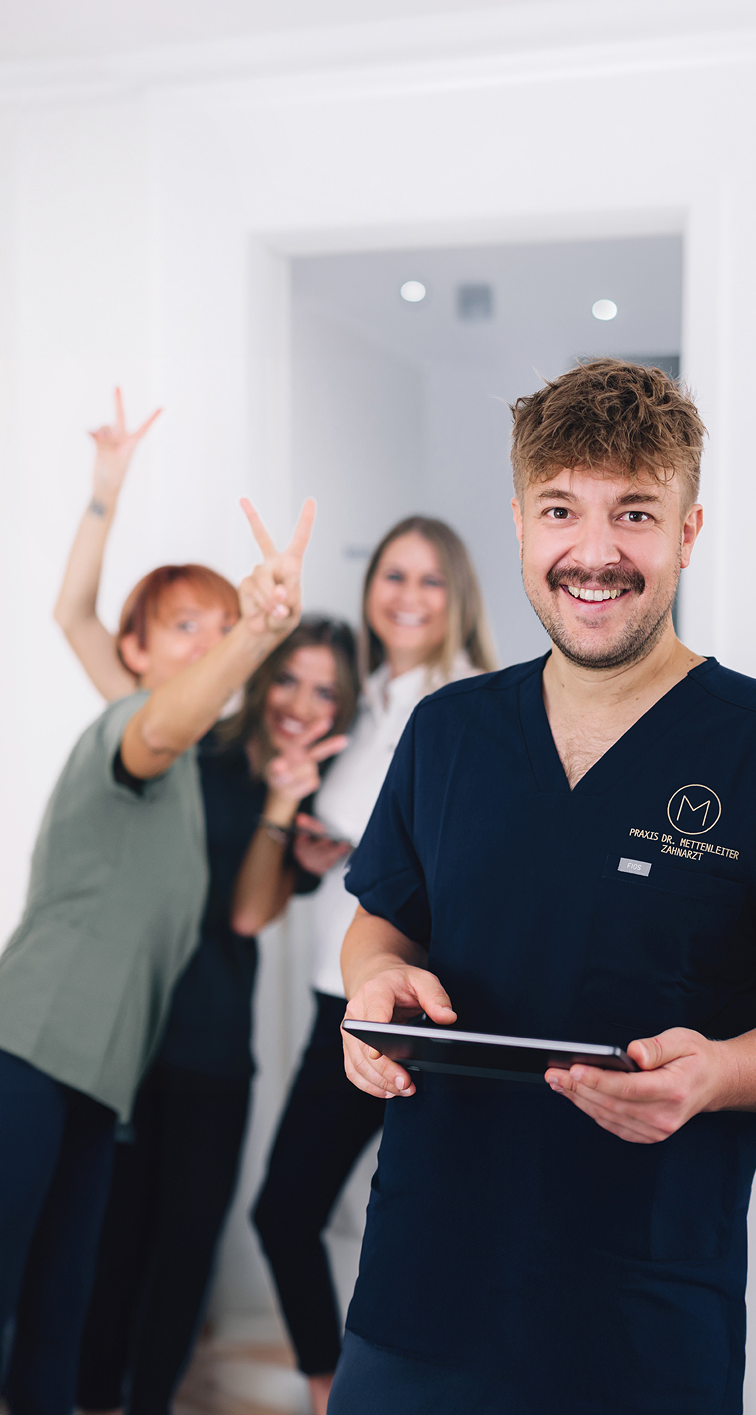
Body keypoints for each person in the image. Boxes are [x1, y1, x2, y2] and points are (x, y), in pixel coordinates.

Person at [332, 359, 756, 1415]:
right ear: (520, 523)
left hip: (638, 1318)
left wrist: (722, 1071)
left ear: (687, 534)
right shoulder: (449, 735)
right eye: (562, 509)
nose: (594, 553)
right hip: (422, 1289)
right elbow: (385, 922)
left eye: (635, 513)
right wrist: (374, 984)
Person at [0, 384, 316, 1414]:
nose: (207, 640)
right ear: (133, 651)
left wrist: (251, 634)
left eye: (219, 626)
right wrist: (108, 493)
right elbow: (119, 667)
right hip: (30, 1054)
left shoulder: (191, 770)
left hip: (103, 1083)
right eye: (185, 626)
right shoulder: (133, 731)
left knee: (57, 1318)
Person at [252, 517, 496, 1415]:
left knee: (438, 1227)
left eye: (431, 580)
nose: (407, 595)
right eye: (393, 575)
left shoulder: (479, 706)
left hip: (427, 1008)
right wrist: (321, 855)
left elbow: (465, 863)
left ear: (459, 596)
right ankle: (330, 1392)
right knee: (286, 1214)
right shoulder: (353, 710)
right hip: (337, 997)